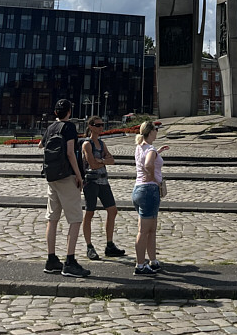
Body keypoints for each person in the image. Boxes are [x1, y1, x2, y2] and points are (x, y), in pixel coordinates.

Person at [41, 99, 90, 278]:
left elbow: (42, 145)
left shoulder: (50, 128)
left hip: (52, 177)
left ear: (55, 113)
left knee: (52, 218)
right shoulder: (68, 127)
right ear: (69, 112)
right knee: (75, 219)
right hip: (66, 176)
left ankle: (51, 259)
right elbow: (70, 153)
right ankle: (70, 261)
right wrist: (78, 175)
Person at [81, 116, 125, 261]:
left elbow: (112, 160)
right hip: (91, 182)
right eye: (98, 125)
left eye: (102, 125)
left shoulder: (101, 143)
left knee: (112, 210)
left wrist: (101, 160)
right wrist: (103, 161)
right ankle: (89, 246)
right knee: (90, 213)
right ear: (91, 127)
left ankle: (109, 244)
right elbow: (92, 164)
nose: (101, 127)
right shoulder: (87, 144)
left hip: (103, 181)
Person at [131, 120, 169, 276]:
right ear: (151, 132)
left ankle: (153, 261)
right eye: (156, 130)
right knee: (144, 230)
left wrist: (157, 152)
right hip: (149, 190)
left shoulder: (141, 147)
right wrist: (155, 179)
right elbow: (148, 165)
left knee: (151, 229)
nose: (157, 132)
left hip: (138, 189)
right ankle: (140, 265)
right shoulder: (150, 149)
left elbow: (146, 159)